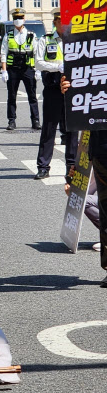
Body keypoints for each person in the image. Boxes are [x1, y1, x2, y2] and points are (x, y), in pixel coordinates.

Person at [61, 76, 107, 287]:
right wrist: (70, 92)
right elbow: (80, 112)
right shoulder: (92, 64)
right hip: (100, 150)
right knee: (105, 210)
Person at [34, 9, 78, 179]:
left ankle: (71, 167)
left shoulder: (74, 40)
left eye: (66, 20)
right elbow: (38, 63)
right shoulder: (45, 40)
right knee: (49, 128)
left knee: (72, 129)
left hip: (71, 88)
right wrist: (57, 66)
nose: (63, 23)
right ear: (55, 22)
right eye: (60, 20)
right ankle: (43, 166)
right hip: (52, 87)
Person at [1, 8, 41, 131]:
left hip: (28, 68)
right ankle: (11, 121)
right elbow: (3, 53)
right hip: (13, 69)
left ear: (24, 19)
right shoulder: (8, 35)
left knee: (32, 96)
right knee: (12, 96)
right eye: (15, 18)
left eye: (20, 18)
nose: (18, 20)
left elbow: (36, 53)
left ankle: (35, 120)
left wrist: (38, 70)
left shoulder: (31, 35)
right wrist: (4, 70)